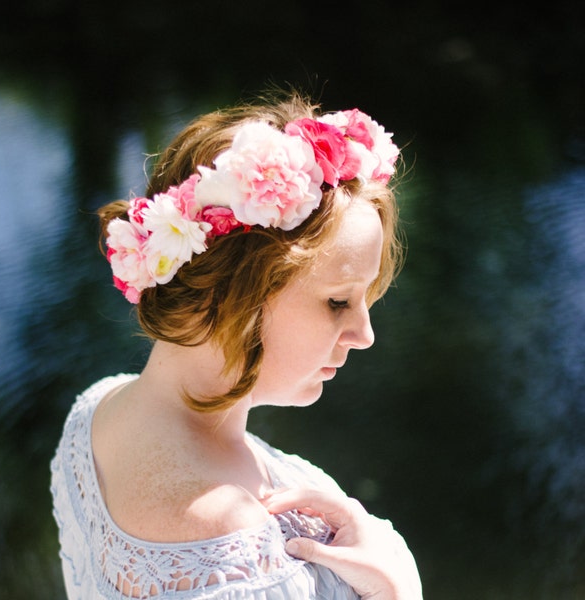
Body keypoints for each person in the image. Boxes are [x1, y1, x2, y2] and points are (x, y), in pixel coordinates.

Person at [51, 90, 422, 599]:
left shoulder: (99, 408)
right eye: (338, 302)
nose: (365, 335)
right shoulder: (229, 550)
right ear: (232, 292)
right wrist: (397, 587)